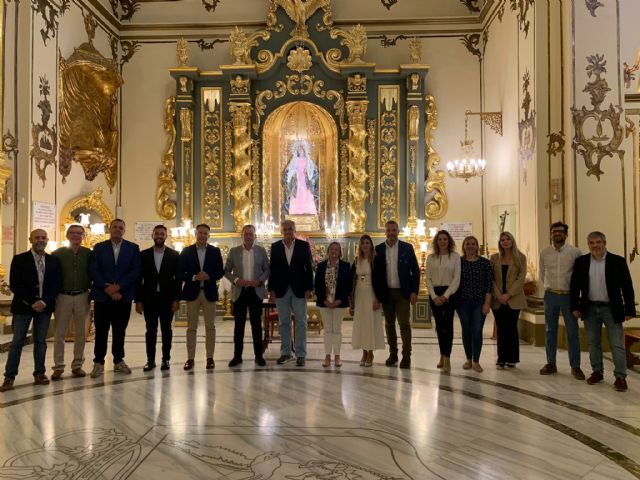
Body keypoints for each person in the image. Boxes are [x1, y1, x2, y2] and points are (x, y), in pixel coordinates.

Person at [570, 231, 635, 392]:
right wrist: (575, 307)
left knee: (616, 344)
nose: (595, 246)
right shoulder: (582, 262)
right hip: (590, 308)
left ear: (604, 243)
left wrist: (629, 310)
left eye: (598, 242)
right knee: (593, 343)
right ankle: (597, 372)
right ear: (588, 245)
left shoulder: (618, 261)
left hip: (611, 309)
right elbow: (574, 287)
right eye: (591, 243)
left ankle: (620, 377)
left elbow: (627, 287)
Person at [0, 229, 61, 392]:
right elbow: (15, 284)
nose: (40, 240)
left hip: (45, 308)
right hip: (23, 307)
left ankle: (39, 374)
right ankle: (9, 377)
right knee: (17, 342)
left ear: (47, 240)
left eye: (43, 237)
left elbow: (56, 284)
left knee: (40, 342)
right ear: (30, 239)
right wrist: (33, 302)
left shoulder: (53, 261)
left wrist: (44, 302)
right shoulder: (20, 259)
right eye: (37, 238)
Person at [89, 219, 141, 378]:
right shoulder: (99, 247)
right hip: (102, 297)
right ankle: (98, 362)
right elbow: (94, 270)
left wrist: (118, 287)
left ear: (124, 231)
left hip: (123, 297)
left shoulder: (133, 248)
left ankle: (118, 360)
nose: (117, 230)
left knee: (120, 331)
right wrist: (107, 289)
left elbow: (135, 271)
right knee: (101, 331)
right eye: (115, 227)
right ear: (109, 229)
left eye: (121, 228)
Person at [539, 222, 584, 379]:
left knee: (572, 332)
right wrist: (547, 288)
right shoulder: (544, 252)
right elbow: (542, 273)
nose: (557, 233)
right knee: (550, 331)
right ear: (551, 234)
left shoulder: (576, 252)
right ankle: (551, 363)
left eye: (560, 231)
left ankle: (575, 366)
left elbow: (580, 276)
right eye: (554, 231)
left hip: (569, 296)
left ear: (566, 234)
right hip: (550, 295)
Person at [178, 223, 224, 371]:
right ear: (195, 234)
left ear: (208, 235)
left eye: (205, 233)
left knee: (210, 327)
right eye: (200, 233)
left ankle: (210, 357)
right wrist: (193, 277)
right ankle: (190, 358)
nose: (202, 235)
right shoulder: (186, 251)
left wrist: (208, 276)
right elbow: (180, 273)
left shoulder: (215, 251)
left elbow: (220, 272)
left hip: (209, 292)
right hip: (192, 293)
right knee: (192, 327)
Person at [268, 220, 314, 367]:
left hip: (299, 289)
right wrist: (272, 290)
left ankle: (301, 354)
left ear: (295, 230)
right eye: (285, 230)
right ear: (282, 231)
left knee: (301, 322)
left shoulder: (303, 246)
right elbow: (272, 270)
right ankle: (286, 353)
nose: (288, 232)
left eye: (290, 229)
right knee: (284, 323)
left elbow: (309, 267)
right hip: (281, 290)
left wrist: (309, 288)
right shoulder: (275, 247)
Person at [135, 225, 181, 372]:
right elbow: (138, 279)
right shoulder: (143, 255)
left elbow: (177, 280)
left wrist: (176, 299)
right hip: (149, 299)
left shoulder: (174, 255)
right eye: (157, 233)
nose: (159, 236)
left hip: (167, 300)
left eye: (162, 233)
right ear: (152, 235)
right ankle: (150, 360)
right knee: (150, 331)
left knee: (167, 330)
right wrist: (138, 300)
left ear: (166, 236)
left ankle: (166, 359)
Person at [375, 220, 420, 369]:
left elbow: (415, 271)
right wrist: (377, 295)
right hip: (386, 293)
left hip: (403, 293)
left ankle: (406, 356)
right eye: (388, 230)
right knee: (389, 324)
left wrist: (414, 291)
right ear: (385, 232)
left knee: (404, 324)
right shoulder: (379, 249)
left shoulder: (407, 248)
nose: (391, 233)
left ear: (398, 231)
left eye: (394, 230)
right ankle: (393, 354)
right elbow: (376, 274)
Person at [224, 224, 270, 367]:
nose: (248, 236)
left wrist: (260, 280)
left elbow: (267, 269)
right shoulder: (234, 251)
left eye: (251, 234)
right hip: (240, 292)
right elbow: (226, 271)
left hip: (255, 292)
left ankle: (258, 356)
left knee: (257, 326)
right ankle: (237, 356)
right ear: (242, 236)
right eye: (246, 234)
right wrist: (237, 280)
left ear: (255, 236)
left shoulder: (261, 251)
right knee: (239, 326)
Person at [51, 225, 91, 381]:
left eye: (79, 233)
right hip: (63, 297)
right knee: (60, 333)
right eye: (72, 233)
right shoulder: (57, 254)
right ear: (67, 235)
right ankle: (59, 367)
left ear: (83, 236)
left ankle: (77, 365)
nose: (76, 236)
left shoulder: (88, 254)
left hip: (83, 295)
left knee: (81, 333)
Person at [454, 235, 492, 373]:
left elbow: (489, 285)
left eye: (473, 244)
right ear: (464, 246)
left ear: (477, 246)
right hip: (462, 303)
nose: (470, 246)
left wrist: (487, 304)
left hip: (479, 303)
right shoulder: (458, 262)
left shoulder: (485, 263)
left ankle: (476, 361)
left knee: (476, 330)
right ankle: (468, 359)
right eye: (468, 244)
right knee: (466, 330)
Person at [490, 232, 527, 369]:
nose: (505, 242)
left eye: (508, 239)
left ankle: (512, 358)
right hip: (498, 299)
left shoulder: (520, 258)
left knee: (511, 328)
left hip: (514, 298)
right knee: (501, 328)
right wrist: (499, 294)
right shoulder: (494, 258)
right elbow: (491, 278)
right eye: (502, 240)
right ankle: (501, 358)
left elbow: (521, 278)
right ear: (499, 242)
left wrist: (509, 294)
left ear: (512, 241)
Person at [425, 230, 460, 373]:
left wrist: (445, 296)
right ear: (436, 242)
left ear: (449, 241)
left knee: (448, 326)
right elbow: (428, 279)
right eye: (440, 239)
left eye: (445, 239)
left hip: (450, 294)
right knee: (439, 326)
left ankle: (447, 358)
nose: (442, 241)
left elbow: (456, 279)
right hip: (434, 294)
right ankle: (441, 355)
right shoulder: (431, 258)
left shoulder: (455, 257)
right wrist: (434, 296)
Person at [351, 235, 386, 367]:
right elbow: (352, 280)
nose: (365, 245)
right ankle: (364, 351)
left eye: (367, 243)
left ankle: (370, 352)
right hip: (360, 295)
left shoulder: (377, 260)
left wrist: (378, 299)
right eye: (362, 243)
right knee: (361, 323)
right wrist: (352, 297)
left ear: (371, 245)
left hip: (372, 294)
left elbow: (382, 282)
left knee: (370, 323)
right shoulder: (357, 261)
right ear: (360, 246)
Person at [315, 241, 352, 368]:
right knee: (327, 330)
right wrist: (324, 300)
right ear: (328, 251)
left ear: (339, 252)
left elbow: (348, 285)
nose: (334, 251)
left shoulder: (346, 266)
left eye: (336, 249)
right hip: (324, 303)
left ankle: (337, 356)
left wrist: (339, 300)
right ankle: (327, 356)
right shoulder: (321, 266)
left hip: (339, 303)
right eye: (331, 249)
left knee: (337, 329)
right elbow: (317, 285)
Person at [285, 140, 318, 215]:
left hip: (306, 179)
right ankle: (296, 211)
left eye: (301, 149)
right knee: (297, 194)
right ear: (297, 151)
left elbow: (312, 169)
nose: (300, 151)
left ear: (304, 150)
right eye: (299, 149)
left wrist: (308, 173)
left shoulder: (308, 160)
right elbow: (290, 169)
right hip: (297, 180)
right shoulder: (294, 160)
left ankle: (307, 211)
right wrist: (293, 173)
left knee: (306, 194)